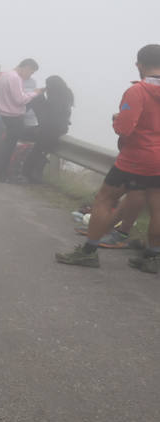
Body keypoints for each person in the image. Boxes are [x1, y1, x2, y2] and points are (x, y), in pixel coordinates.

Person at [56, 43, 160, 273]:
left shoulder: (138, 91)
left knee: (104, 199)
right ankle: (153, 258)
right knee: (157, 207)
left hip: (136, 157)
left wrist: (117, 118)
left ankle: (88, 253)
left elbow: (124, 128)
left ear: (139, 65)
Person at [0, 58, 41, 183]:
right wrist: (34, 93)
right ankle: (2, 175)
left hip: (5, 114)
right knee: (9, 146)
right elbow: (20, 100)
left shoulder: (4, 75)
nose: (30, 75)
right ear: (27, 67)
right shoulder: (15, 78)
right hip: (14, 116)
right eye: (31, 72)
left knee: (6, 144)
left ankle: (0, 172)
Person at [21, 75, 73, 184]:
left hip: (49, 129)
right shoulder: (66, 94)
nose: (46, 87)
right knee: (39, 150)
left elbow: (50, 114)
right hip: (59, 129)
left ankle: (26, 174)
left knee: (37, 150)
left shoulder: (55, 97)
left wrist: (39, 94)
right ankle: (30, 174)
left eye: (47, 85)